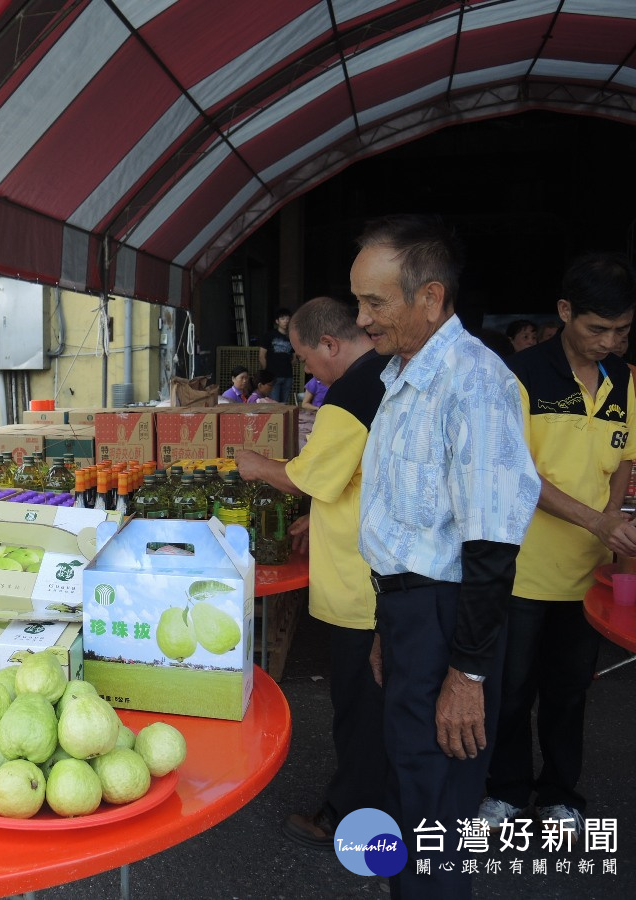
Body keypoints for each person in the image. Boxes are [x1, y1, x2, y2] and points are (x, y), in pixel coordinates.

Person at [353, 215, 540, 899]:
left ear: (430, 298)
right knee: (414, 783)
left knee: (438, 801)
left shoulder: (474, 383)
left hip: (448, 617)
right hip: (411, 611)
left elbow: (490, 546)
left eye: (375, 303)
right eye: (359, 301)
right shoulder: (405, 375)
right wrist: (386, 623)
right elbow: (410, 523)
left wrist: (467, 672)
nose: (362, 320)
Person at [479, 253, 636, 840]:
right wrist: (598, 522)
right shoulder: (520, 376)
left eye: (622, 330)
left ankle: (561, 791)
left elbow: (623, 458)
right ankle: (506, 789)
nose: (609, 341)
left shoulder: (625, 379)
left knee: (571, 691)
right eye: (598, 328)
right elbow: (521, 476)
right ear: (564, 311)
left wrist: (614, 517)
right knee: (512, 690)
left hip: (588, 577)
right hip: (524, 569)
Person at [233, 296, 389, 850]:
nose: (308, 372)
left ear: (329, 344)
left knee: (360, 705)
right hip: (381, 568)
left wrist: (257, 467)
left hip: (362, 584)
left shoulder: (353, 391)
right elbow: (355, 477)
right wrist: (317, 521)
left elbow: (308, 477)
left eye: (305, 357)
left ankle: (352, 816)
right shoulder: (390, 375)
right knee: (380, 701)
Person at [258, 307, 296, 402]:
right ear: (277, 321)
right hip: (273, 376)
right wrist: (267, 372)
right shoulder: (269, 335)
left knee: (285, 404)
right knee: (274, 403)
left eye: (288, 318)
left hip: (288, 375)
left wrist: (289, 364)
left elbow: (295, 355)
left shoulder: (292, 336)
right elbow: (262, 355)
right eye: (283, 318)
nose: (286, 321)